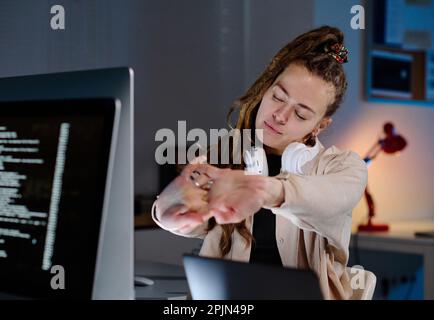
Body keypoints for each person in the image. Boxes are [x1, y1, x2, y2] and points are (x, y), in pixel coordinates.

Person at [151, 25, 368, 300]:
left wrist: (264, 190)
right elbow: (190, 218)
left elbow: (329, 199)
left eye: (301, 114)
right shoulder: (226, 155)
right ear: (265, 90)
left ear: (320, 125)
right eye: (277, 97)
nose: (280, 115)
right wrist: (171, 208)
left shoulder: (343, 168)